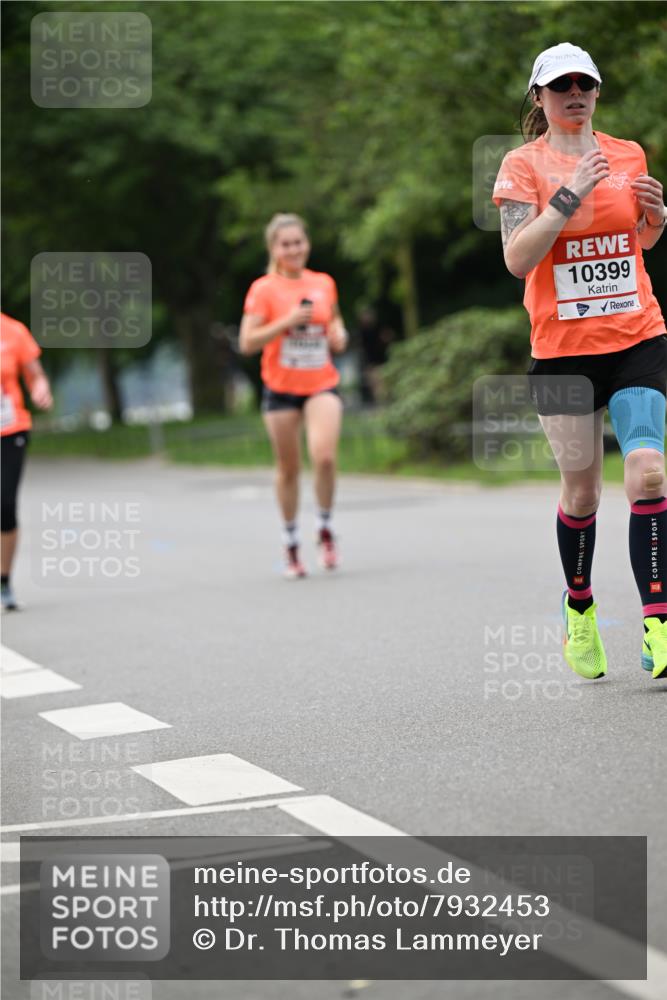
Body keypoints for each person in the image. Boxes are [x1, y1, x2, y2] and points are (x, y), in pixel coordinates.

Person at [493, 43, 667, 680]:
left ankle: (659, 620)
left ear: (596, 91)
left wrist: (658, 216)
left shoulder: (628, 154)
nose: (575, 94)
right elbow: (517, 258)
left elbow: (637, 240)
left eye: (584, 84)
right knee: (584, 489)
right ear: (539, 97)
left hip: (637, 337)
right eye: (561, 85)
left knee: (649, 473)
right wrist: (568, 196)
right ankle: (580, 605)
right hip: (563, 355)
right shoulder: (521, 165)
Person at [239, 213, 348, 578]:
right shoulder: (263, 289)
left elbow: (335, 321)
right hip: (281, 389)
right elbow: (247, 342)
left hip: (321, 383)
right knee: (289, 469)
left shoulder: (323, 283)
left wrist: (339, 335)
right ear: (274, 249)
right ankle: (291, 541)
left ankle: (325, 529)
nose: (293, 249)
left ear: (307, 244)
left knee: (325, 458)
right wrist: (286, 322)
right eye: (285, 244)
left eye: (298, 242)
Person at [1, 311, 53, 610]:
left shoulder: (13, 331)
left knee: (5, 505)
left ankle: (4, 580)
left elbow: (35, 374)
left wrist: (40, 387)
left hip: (10, 430)